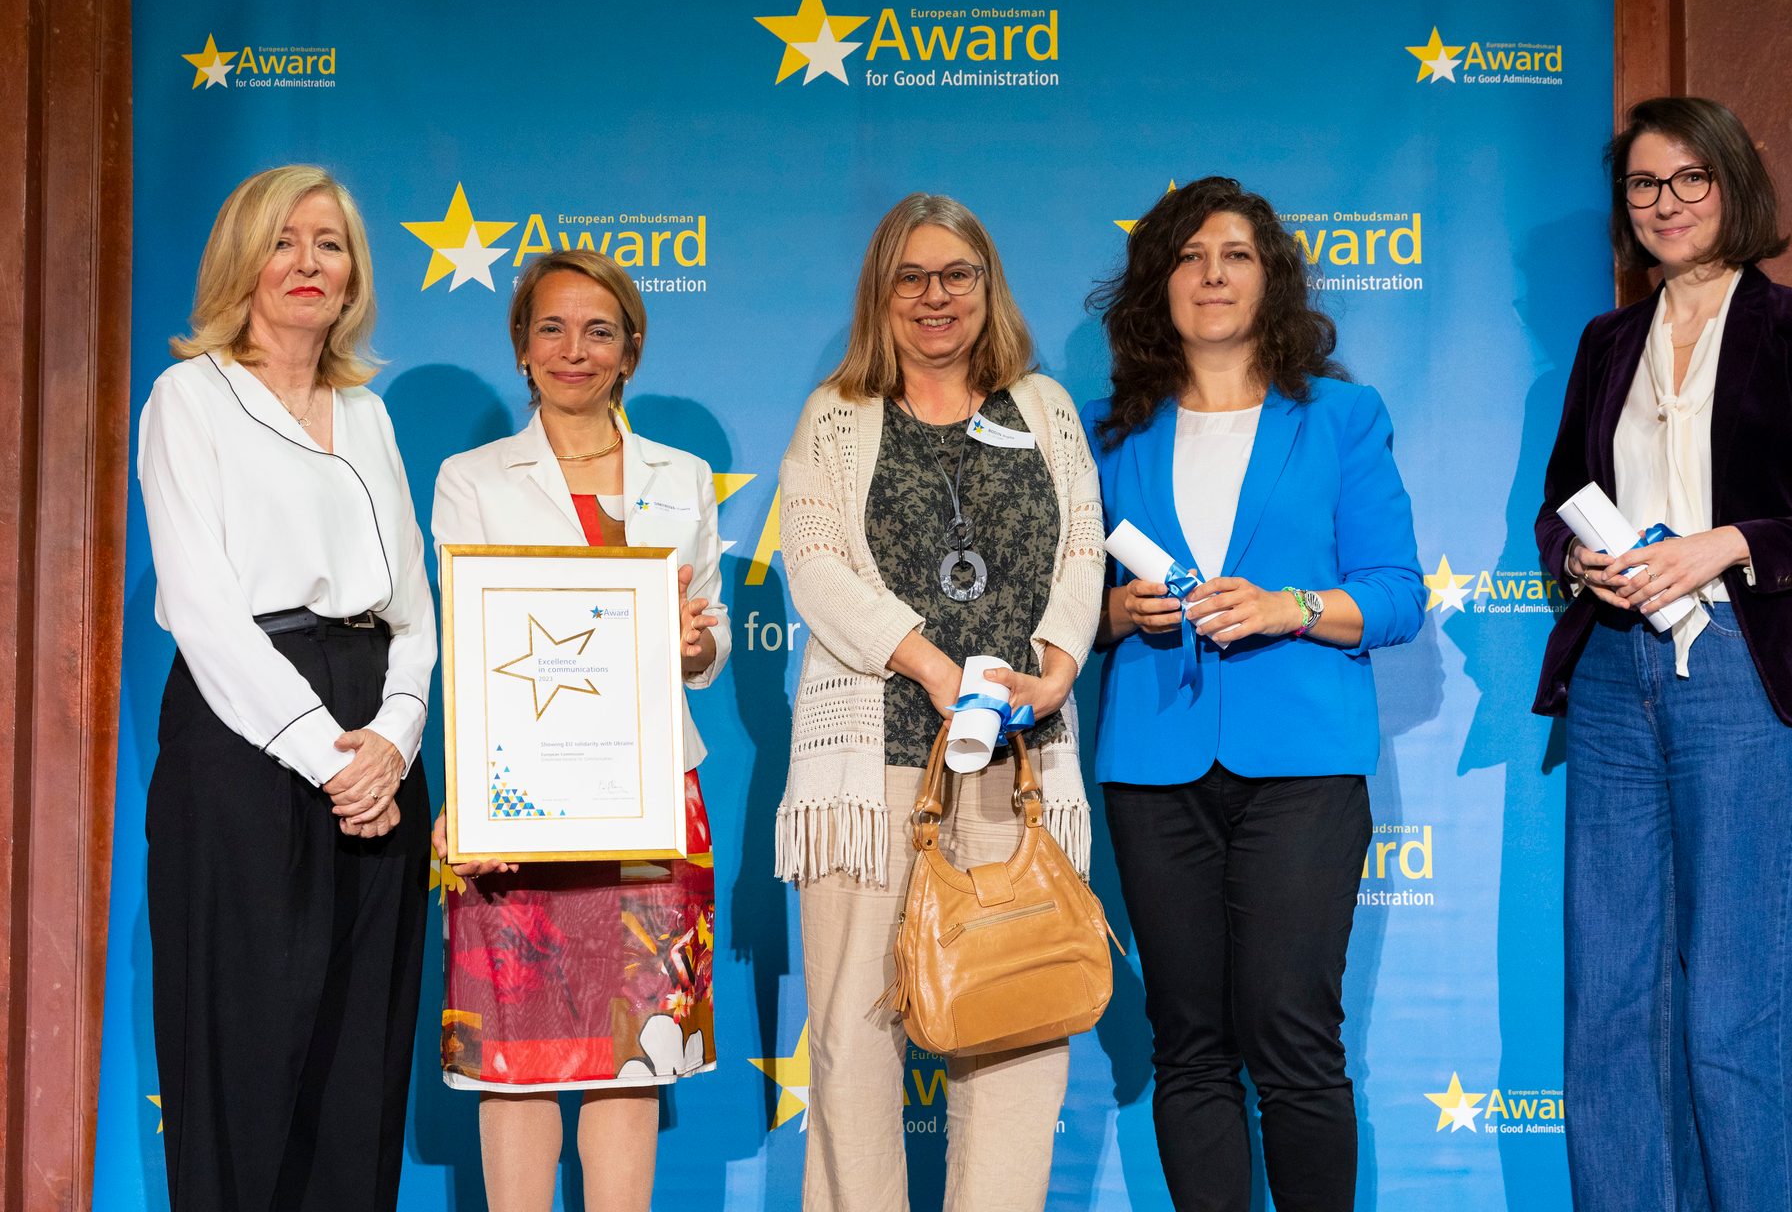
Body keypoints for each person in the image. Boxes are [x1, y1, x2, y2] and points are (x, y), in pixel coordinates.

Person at [1535, 97, 1792, 1211]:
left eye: (1689, 179)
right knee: (1609, 998)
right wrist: (1579, 564)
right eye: (1645, 185)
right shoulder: (1608, 342)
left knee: (1735, 1000)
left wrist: (1722, 546)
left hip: (1739, 667)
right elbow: (1559, 506)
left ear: (1733, 185)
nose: (1667, 203)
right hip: (1608, 677)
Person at [1082, 176, 1423, 1212]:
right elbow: (1067, 611)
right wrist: (1114, 617)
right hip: (1153, 765)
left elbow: (1397, 598)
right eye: (1189, 255)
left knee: (1292, 1034)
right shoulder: (1105, 431)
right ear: (1159, 285)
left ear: (1270, 277)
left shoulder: (1344, 416)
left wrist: (1291, 606)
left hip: (1304, 767)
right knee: (1187, 1042)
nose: (1213, 272)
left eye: (1235, 252)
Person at [774, 193, 1104, 1210]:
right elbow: (817, 565)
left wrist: (1054, 667)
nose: (935, 296)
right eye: (911, 276)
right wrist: (930, 664)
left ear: (986, 286)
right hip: (867, 777)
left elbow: (1081, 548)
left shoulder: (1042, 405)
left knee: (1013, 1033)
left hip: (1019, 772)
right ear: (882, 292)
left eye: (956, 273)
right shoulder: (836, 414)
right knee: (854, 1038)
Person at [137, 164, 434, 1210]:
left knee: (357, 1068)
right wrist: (330, 757)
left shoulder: (370, 414)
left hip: (379, 750)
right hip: (249, 743)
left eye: (332, 243)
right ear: (243, 261)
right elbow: (206, 612)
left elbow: (415, 613)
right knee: (245, 1057)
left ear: (354, 274)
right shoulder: (188, 397)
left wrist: (393, 741)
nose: (309, 262)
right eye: (285, 240)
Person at [429, 247, 729, 1212]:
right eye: (551, 328)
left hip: (645, 797)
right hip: (515, 800)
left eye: (599, 330)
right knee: (510, 1054)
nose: (575, 349)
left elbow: (708, 648)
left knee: (629, 1055)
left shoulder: (682, 478)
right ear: (521, 346)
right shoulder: (470, 479)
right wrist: (468, 807)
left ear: (630, 350)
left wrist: (688, 647)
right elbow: (467, 647)